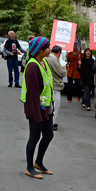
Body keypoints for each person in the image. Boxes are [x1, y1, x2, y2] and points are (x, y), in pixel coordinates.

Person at [20, 37, 54, 179]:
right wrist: (37, 115)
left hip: (46, 107)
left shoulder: (43, 61)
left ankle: (38, 162)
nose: (50, 49)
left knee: (49, 135)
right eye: (48, 47)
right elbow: (33, 94)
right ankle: (29, 167)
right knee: (34, 137)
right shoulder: (32, 66)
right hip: (36, 110)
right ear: (40, 50)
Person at [45, 45, 68, 132]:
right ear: (59, 53)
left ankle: (48, 122)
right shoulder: (54, 60)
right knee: (55, 106)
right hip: (55, 85)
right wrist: (64, 68)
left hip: (48, 85)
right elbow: (61, 73)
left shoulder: (46, 58)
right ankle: (52, 123)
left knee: (49, 106)